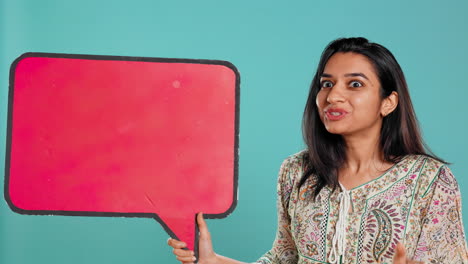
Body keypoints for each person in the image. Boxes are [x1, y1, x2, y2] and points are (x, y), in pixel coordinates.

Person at [167, 37, 468, 264]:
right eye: (326, 83)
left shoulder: (429, 180)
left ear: (388, 102)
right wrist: (215, 262)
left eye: (354, 84)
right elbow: (284, 258)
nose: (333, 95)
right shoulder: (297, 172)